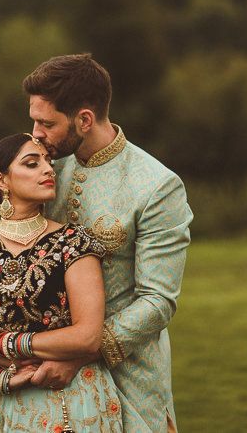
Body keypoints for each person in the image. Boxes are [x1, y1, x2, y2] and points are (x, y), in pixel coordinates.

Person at [23, 54, 193, 432]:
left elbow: (157, 300)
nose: (35, 133)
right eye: (34, 120)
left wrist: (81, 354)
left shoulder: (157, 186)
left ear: (84, 119)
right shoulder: (44, 168)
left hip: (127, 373)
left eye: (46, 123)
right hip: (41, 367)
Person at [0, 132, 123, 433]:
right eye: (32, 163)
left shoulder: (74, 244)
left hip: (68, 404)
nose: (48, 169)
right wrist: (1, 379)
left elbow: (87, 336)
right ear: (2, 181)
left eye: (48, 162)